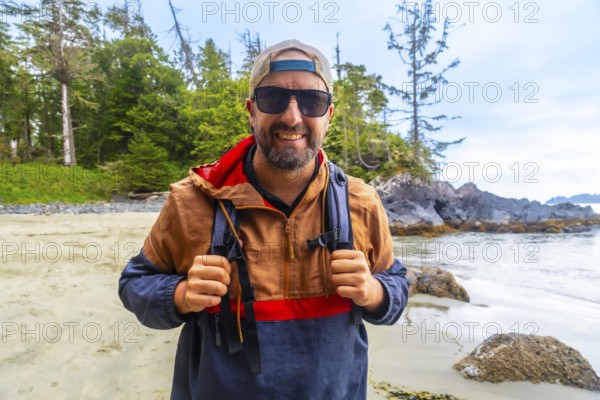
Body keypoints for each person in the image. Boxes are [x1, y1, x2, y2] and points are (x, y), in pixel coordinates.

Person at [119, 39, 409, 400]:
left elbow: (396, 284)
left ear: (328, 116)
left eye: (311, 101)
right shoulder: (191, 200)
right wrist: (180, 295)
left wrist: (374, 292)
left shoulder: (361, 201)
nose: (292, 116)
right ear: (251, 111)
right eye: (273, 98)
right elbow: (134, 284)